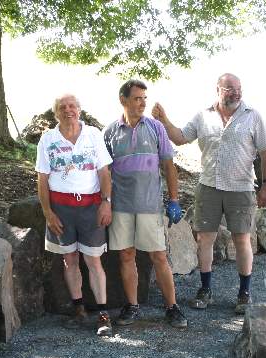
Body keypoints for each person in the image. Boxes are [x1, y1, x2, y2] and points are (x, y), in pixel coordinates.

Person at [152, 73, 266, 314]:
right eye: (230, 88)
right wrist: (164, 120)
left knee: (242, 239)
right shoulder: (203, 116)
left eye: (238, 88)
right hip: (208, 186)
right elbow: (180, 138)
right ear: (218, 89)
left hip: (241, 188)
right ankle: (205, 289)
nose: (236, 92)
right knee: (204, 239)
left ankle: (244, 293)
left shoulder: (253, 116)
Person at [103, 80, 187, 329]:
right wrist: (105, 202)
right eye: (137, 98)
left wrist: (174, 199)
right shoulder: (110, 132)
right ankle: (132, 306)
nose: (142, 103)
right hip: (121, 206)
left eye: (144, 98)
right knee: (127, 256)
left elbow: (169, 166)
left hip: (150, 206)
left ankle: (172, 307)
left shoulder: (156, 128)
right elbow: (104, 172)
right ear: (123, 100)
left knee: (159, 256)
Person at [36, 94, 114, 337]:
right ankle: (78, 308)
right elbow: (42, 179)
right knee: (69, 260)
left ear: (79, 110)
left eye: (72, 106)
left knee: (93, 260)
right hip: (61, 209)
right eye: (62, 107)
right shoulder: (48, 139)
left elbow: (104, 172)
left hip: (90, 207)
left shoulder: (93, 135)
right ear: (56, 112)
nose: (68, 110)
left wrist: (106, 202)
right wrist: (48, 212)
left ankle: (103, 314)